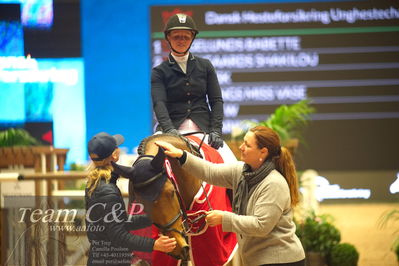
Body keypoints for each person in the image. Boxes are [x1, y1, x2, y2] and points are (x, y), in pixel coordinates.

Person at [155, 126, 306, 266]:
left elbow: (261, 226)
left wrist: (223, 218)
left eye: (247, 145)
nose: (241, 147)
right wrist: (181, 155)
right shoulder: (241, 171)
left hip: (281, 261)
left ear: (263, 152)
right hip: (258, 260)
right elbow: (209, 171)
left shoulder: (274, 184)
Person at [85, 132, 176, 266]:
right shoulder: (107, 191)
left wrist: (153, 218)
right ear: (114, 155)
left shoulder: (95, 183)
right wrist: (154, 245)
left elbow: (118, 222)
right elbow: (118, 236)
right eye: (118, 148)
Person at [151, 13, 224, 150]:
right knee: (145, 161)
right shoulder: (159, 72)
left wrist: (216, 130)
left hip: (204, 128)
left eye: (186, 37)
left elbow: (216, 101)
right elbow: (159, 103)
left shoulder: (206, 66)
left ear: (192, 39)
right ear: (168, 38)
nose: (181, 41)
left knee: (229, 162)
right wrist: (169, 130)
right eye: (176, 36)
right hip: (172, 128)